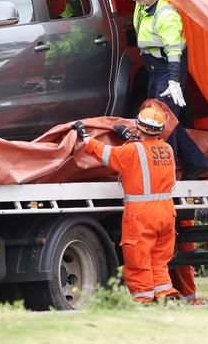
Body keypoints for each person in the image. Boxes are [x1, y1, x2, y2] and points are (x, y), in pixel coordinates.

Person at [93, 0, 208, 182]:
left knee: (161, 121)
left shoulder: (165, 14)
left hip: (167, 68)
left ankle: (172, 173)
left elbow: (174, 49)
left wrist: (173, 81)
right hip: (153, 69)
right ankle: (196, 162)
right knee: (163, 118)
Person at [71, 105, 179, 302]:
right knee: (159, 259)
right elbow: (150, 159)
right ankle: (165, 294)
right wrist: (129, 137)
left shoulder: (131, 151)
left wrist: (85, 137)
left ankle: (144, 299)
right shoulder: (167, 149)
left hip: (141, 215)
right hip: (166, 211)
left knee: (138, 259)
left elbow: (107, 155)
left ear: (139, 126)